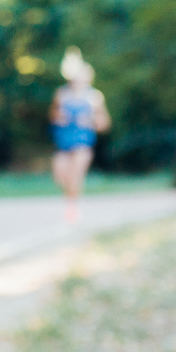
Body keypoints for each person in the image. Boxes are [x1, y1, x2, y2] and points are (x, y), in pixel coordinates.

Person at [49, 47, 110, 221]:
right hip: (63, 142)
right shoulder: (62, 94)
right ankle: (71, 199)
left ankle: (72, 208)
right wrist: (59, 117)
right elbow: (53, 115)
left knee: (75, 175)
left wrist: (90, 120)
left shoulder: (94, 97)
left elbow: (104, 124)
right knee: (60, 175)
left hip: (83, 143)